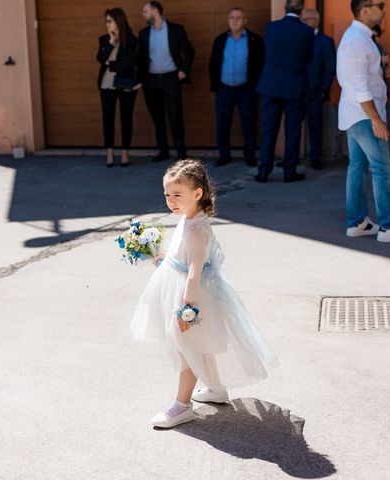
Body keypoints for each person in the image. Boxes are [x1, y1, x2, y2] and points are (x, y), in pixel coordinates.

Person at [131, 159, 279, 428]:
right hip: (179, 286)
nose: (170, 201)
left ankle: (182, 406)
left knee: (186, 346)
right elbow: (182, 256)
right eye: (167, 195)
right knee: (197, 345)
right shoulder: (189, 219)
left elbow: (194, 272)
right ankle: (215, 389)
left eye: (177, 195)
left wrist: (187, 308)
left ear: (197, 194)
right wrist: (159, 255)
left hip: (191, 295)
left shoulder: (197, 229)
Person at [337, 0, 390, 243]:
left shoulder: (361, 37)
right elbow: (359, 85)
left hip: (357, 114)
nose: (384, 9)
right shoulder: (356, 39)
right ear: (365, 9)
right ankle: (389, 227)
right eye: (380, 4)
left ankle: (358, 222)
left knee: (357, 167)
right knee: (382, 168)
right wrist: (376, 119)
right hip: (364, 115)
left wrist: (384, 69)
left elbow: (363, 77)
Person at [255, 0, 314, 184]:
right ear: (302, 11)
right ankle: (289, 172)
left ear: (284, 8)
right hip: (294, 87)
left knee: (268, 130)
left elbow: (267, 52)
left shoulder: (271, 27)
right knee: (293, 130)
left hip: (271, 85)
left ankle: (264, 171)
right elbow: (308, 57)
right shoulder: (306, 31)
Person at [138, 1, 194, 162]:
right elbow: (140, 58)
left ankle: (181, 153)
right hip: (151, 81)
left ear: (155, 12)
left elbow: (189, 51)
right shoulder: (143, 34)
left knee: (175, 116)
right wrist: (141, 79)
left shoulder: (176, 29)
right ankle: (163, 151)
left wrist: (184, 71)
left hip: (171, 79)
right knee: (157, 117)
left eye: (145, 12)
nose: (143, 15)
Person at [208, 7, 265, 167]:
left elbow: (261, 64)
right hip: (224, 89)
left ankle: (250, 155)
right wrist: (216, 85)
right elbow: (213, 64)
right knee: (223, 123)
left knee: (249, 123)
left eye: (238, 18)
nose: (234, 21)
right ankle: (224, 155)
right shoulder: (220, 40)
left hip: (246, 89)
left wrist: (256, 86)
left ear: (245, 21)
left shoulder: (255, 40)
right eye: (232, 17)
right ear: (228, 20)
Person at [97, 8, 139, 168]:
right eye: (106, 21)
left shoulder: (131, 41)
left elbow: (130, 63)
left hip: (126, 84)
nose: (107, 24)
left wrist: (111, 65)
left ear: (118, 21)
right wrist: (110, 43)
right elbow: (100, 58)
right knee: (108, 118)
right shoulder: (103, 40)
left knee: (126, 118)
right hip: (106, 85)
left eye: (110, 21)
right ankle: (110, 153)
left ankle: (125, 153)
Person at [301, 8, 336, 170]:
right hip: (296, 91)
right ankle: (291, 158)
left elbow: (330, 68)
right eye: (302, 19)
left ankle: (315, 157)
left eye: (306, 19)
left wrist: (323, 89)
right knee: (292, 126)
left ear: (316, 21)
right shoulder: (297, 38)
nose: (304, 22)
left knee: (315, 127)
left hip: (315, 92)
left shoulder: (325, 41)